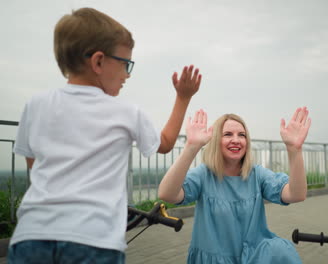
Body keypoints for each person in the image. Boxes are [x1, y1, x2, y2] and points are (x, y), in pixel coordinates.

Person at [8, 7, 202, 264]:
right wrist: (183, 97)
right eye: (125, 64)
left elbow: (35, 167)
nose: (127, 74)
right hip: (94, 240)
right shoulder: (125, 112)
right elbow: (165, 144)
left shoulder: (36, 105)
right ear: (99, 61)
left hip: (31, 236)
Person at [158, 107, 312, 264]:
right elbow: (167, 194)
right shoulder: (204, 175)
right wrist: (191, 147)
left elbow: (296, 194)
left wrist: (295, 149)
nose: (236, 140)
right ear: (216, 140)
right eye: (227, 134)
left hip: (253, 259)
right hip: (212, 260)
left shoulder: (257, 174)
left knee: (281, 251)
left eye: (242, 135)